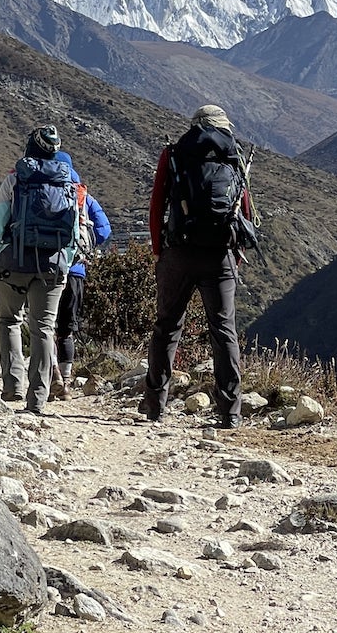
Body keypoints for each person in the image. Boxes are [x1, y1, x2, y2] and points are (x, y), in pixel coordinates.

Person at [142, 104, 254, 429]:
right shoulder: (233, 155)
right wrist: (235, 254)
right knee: (224, 332)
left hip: (178, 252)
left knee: (167, 327)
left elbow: (156, 204)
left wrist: (158, 251)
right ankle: (230, 412)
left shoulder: (175, 153)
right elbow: (243, 210)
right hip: (220, 255)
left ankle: (155, 406)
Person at [0, 124, 77, 414]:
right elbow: (73, 232)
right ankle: (37, 400)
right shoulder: (68, 183)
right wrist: (66, 263)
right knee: (43, 329)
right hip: (53, 265)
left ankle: (12, 388)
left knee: (9, 320)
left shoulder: (14, 181)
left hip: (15, 262)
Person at [50, 150, 112, 399]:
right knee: (66, 329)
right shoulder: (82, 195)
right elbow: (104, 230)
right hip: (75, 269)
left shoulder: (39, 191)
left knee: (44, 326)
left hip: (44, 267)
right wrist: (84, 246)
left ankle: (49, 374)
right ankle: (65, 380)